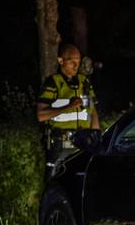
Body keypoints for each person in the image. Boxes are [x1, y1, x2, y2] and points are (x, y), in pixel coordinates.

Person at [37, 43, 100, 176]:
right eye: (71, 62)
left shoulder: (85, 82)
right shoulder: (53, 82)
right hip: (61, 146)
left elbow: (92, 110)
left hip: (83, 144)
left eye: (78, 61)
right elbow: (41, 115)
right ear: (61, 61)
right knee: (55, 185)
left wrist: (96, 136)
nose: (76, 66)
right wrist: (68, 107)